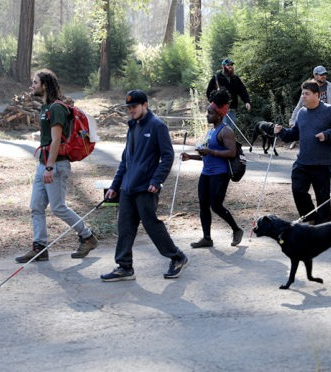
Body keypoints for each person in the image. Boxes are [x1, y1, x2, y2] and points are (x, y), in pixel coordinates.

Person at [101, 90, 189, 281]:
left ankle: (177, 257)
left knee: (151, 225)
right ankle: (124, 267)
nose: (131, 110)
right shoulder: (132, 126)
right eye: (129, 107)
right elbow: (125, 160)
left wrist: (156, 180)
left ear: (145, 105)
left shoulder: (157, 126)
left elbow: (167, 156)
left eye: (134, 106)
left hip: (146, 188)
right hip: (127, 188)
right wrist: (115, 186)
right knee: (124, 227)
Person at [16, 69, 98, 264]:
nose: (32, 86)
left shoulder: (56, 108)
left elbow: (55, 140)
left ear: (45, 85)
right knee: (36, 206)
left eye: (35, 82)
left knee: (58, 207)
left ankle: (87, 237)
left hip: (56, 165)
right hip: (43, 163)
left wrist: (50, 167)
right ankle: (40, 248)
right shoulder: (45, 108)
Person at [275, 80, 331, 224]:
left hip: (322, 163)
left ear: (317, 95)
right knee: (298, 190)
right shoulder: (302, 112)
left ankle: (324, 226)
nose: (303, 97)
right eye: (302, 94)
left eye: (307, 94)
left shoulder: (330, 110)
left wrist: (327, 134)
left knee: (322, 197)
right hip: (303, 161)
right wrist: (281, 132)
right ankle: (311, 218)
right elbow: (294, 134)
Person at [182, 90, 244, 249]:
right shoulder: (210, 131)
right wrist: (190, 157)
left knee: (216, 205)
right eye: (207, 113)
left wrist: (211, 152)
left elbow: (232, 152)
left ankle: (236, 229)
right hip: (206, 174)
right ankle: (207, 238)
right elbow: (206, 155)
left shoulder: (226, 131)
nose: (207, 115)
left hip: (220, 174)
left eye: (210, 113)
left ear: (219, 115)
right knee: (203, 205)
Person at [205, 57, 251, 131]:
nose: (230, 66)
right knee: (222, 129)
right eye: (228, 65)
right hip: (221, 109)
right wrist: (216, 104)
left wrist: (247, 101)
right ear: (223, 66)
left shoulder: (235, 78)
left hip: (232, 108)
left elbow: (242, 90)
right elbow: (209, 93)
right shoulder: (216, 78)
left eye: (231, 65)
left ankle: (227, 142)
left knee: (230, 130)